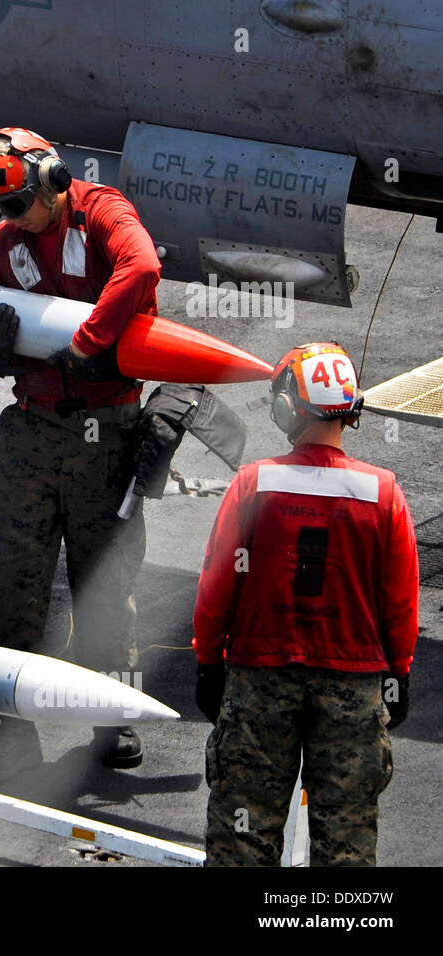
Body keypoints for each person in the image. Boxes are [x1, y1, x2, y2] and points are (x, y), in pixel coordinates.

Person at [0, 127, 159, 767]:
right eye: (0, 209)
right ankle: (13, 719)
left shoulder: (103, 212)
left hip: (107, 429)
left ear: (52, 179)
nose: (9, 218)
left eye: (18, 203)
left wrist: (89, 340)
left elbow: (142, 266)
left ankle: (108, 714)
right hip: (35, 424)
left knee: (104, 577)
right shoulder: (4, 246)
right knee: (8, 571)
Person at [194, 342, 417, 866]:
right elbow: (401, 601)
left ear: (290, 407)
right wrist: (398, 673)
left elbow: (216, 585)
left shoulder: (254, 484)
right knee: (346, 845)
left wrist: (207, 661)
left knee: (242, 839)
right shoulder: (383, 494)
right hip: (353, 687)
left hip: (258, 681)